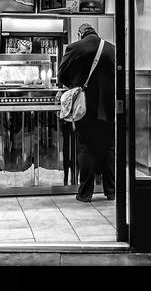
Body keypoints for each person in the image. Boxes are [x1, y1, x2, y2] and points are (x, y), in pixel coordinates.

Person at [58, 23, 116, 202]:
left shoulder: (74, 47)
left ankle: (85, 193)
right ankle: (111, 191)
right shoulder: (112, 48)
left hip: (84, 106)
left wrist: (76, 83)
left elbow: (61, 76)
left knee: (86, 147)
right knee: (108, 148)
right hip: (108, 106)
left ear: (80, 34)